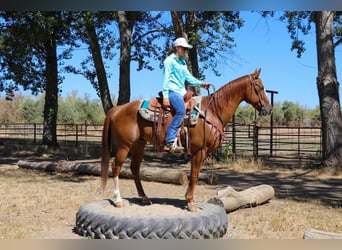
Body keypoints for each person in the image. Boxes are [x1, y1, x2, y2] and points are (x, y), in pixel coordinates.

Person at [162, 37, 210, 153]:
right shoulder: (169, 61)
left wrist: (201, 84)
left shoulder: (182, 62)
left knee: (197, 109)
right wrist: (165, 96)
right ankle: (169, 139)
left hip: (182, 92)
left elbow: (188, 77)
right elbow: (166, 79)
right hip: (173, 91)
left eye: (186, 49)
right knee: (181, 111)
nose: (185, 51)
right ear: (177, 48)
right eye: (183, 48)